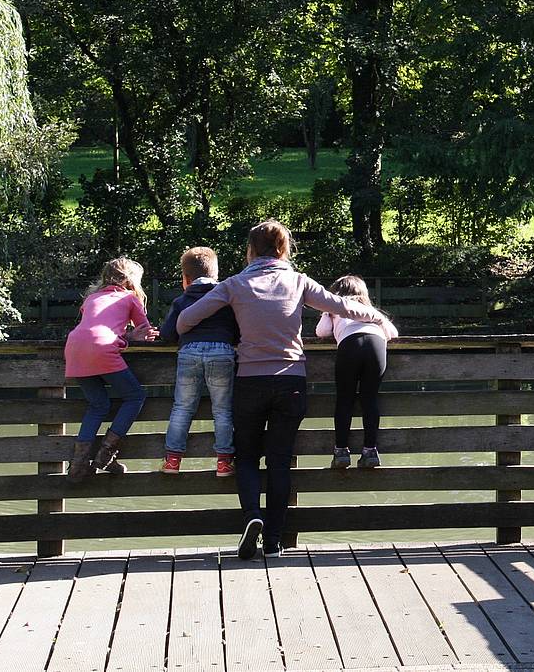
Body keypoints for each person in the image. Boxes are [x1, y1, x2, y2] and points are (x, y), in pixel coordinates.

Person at [175, 220, 390, 560]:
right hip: (291, 381)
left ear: (250, 250)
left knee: (246, 457)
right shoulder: (299, 281)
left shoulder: (234, 284)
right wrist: (378, 319)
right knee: (279, 462)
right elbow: (344, 306)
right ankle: (274, 541)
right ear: (284, 249)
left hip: (249, 382)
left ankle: (252, 517)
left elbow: (184, 320)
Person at [63, 258, 158, 483]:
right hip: (103, 349)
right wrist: (132, 338)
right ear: (131, 281)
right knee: (135, 397)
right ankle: (105, 455)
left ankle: (78, 466)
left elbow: (94, 327)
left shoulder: (90, 299)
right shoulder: (129, 298)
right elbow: (146, 331)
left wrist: (124, 337)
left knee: (98, 405)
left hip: (74, 349)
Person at [158, 247, 240, 477]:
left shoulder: (182, 300)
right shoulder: (226, 299)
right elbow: (238, 332)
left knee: (182, 408)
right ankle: (224, 462)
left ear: (185, 279)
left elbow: (168, 333)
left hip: (189, 352)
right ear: (216, 275)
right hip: (222, 352)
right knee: (222, 410)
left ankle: (173, 460)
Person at [315, 276, 398, 470]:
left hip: (350, 345)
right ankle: (370, 451)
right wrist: (380, 319)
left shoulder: (337, 309)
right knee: (370, 399)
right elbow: (392, 333)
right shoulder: (371, 311)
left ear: (336, 293)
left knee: (345, 399)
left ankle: (341, 451)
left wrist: (327, 313)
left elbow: (322, 332)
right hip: (376, 344)